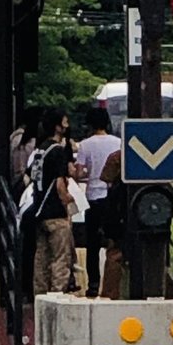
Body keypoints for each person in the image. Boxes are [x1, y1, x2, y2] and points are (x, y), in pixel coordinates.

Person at [31, 109, 78, 295]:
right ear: (58, 126)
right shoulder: (57, 151)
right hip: (56, 212)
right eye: (65, 122)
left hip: (39, 209)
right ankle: (58, 296)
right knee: (61, 257)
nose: (67, 126)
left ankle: (40, 296)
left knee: (41, 257)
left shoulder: (40, 149)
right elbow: (60, 183)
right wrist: (69, 198)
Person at [75, 108, 119, 297]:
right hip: (113, 197)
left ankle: (93, 284)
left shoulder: (85, 145)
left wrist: (86, 174)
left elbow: (79, 173)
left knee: (92, 244)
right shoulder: (118, 142)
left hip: (93, 196)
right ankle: (112, 284)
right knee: (114, 241)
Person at [95, 150, 126, 301]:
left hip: (117, 222)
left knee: (114, 256)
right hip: (121, 220)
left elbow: (105, 177)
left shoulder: (116, 189)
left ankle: (109, 294)